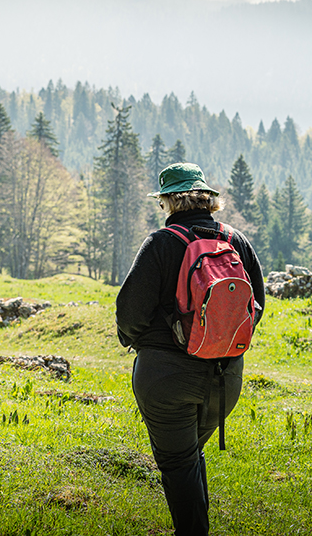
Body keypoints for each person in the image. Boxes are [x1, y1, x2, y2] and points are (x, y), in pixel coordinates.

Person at [116, 163, 264, 535]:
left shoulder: (162, 243)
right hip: (225, 379)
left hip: (166, 378)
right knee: (188, 455)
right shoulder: (236, 241)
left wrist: (137, 341)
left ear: (168, 201)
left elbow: (130, 312)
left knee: (177, 462)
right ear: (206, 198)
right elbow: (256, 305)